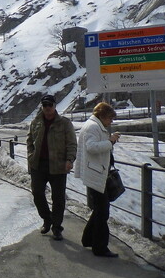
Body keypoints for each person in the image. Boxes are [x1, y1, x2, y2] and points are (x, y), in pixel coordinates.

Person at [26, 94, 77, 241]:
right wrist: (31, 155)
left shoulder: (64, 123)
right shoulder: (36, 122)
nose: (47, 108)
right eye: (45, 105)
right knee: (37, 194)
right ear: (42, 107)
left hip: (58, 166)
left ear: (55, 106)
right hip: (38, 165)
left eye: (50, 105)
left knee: (58, 199)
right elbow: (29, 140)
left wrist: (69, 159)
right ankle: (47, 219)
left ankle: (56, 227)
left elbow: (72, 144)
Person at [74, 102, 121, 258]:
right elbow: (91, 147)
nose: (111, 122)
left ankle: (88, 239)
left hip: (96, 172)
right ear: (102, 116)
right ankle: (99, 247)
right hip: (95, 173)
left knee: (100, 209)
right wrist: (111, 141)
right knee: (103, 212)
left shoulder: (93, 125)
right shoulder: (93, 127)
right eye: (110, 118)